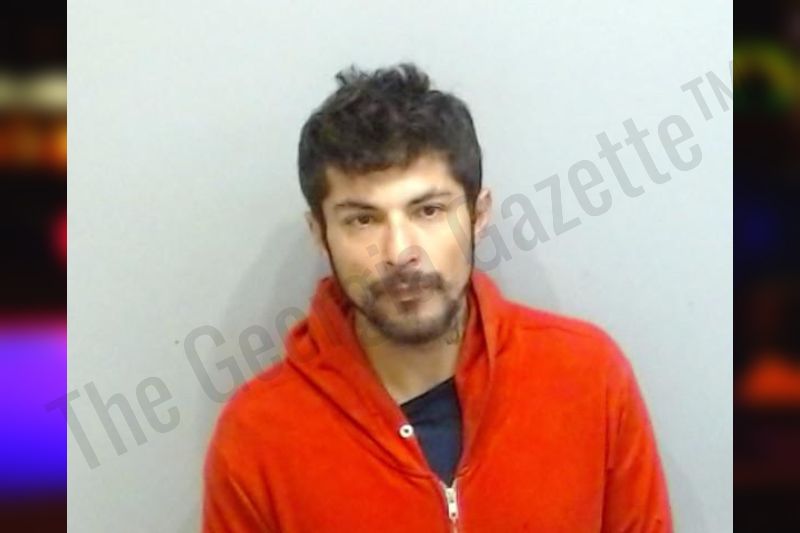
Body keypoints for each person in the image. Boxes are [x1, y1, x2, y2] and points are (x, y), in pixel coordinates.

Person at [202, 63, 673, 532]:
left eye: (428, 211)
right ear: (320, 234)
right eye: (362, 220)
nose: (399, 253)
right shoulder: (257, 438)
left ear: (478, 215)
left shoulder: (588, 379)